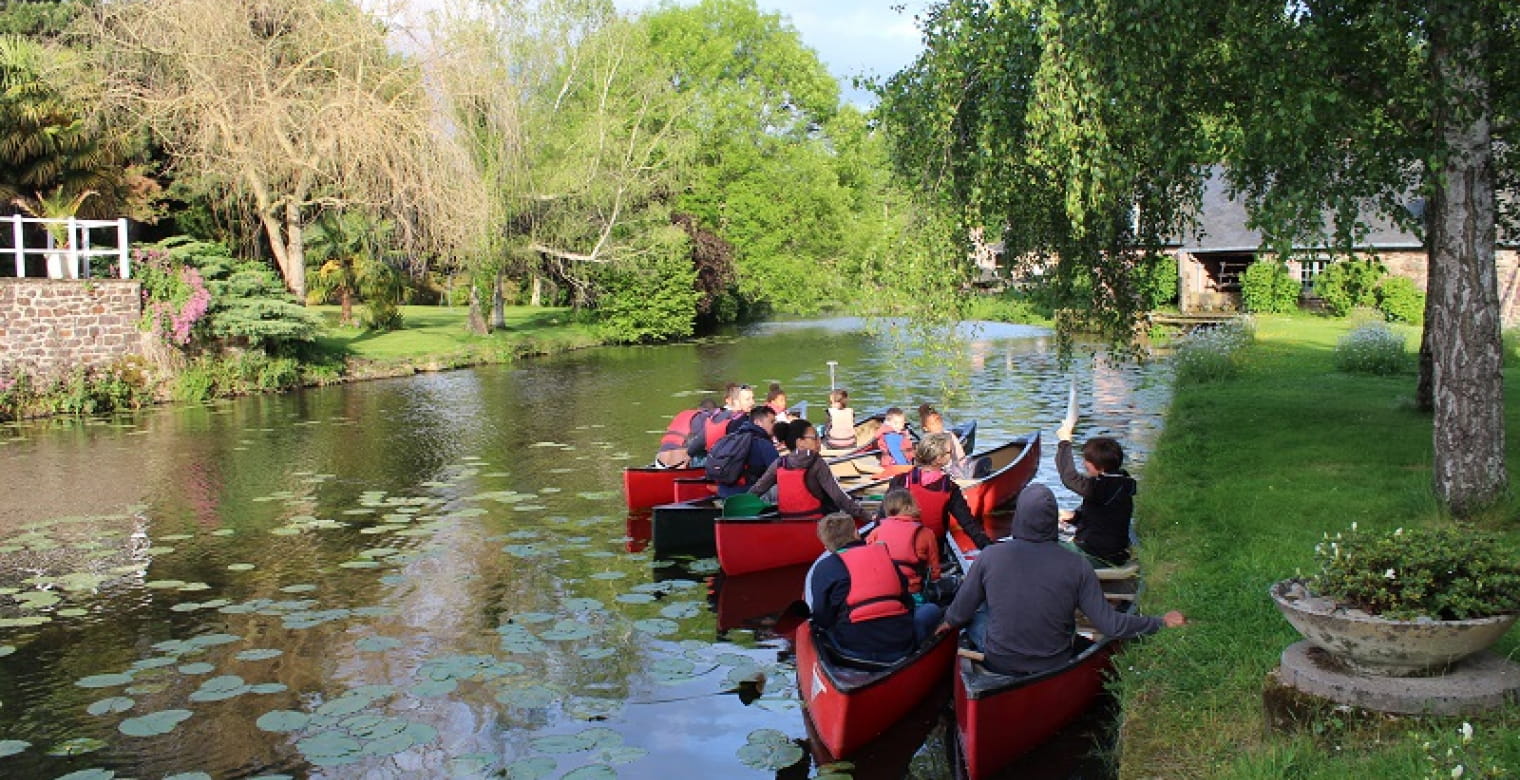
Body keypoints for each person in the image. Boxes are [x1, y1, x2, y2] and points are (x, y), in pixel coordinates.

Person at [935, 483, 1185, 676]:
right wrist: (1160, 622)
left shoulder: (989, 556)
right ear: (1052, 520)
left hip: (1000, 661)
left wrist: (944, 625)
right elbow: (1111, 625)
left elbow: (957, 615)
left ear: (1019, 518)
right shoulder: (1078, 565)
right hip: (1053, 661)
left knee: (978, 610)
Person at [807, 513, 942, 663]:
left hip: (851, 650)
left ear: (826, 546)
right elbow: (907, 603)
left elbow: (822, 618)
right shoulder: (886, 557)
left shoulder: (824, 568)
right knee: (931, 609)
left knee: (820, 628)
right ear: (856, 533)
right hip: (900, 645)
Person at [877, 432, 994, 549]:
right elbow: (968, 524)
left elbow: (882, 517)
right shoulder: (949, 487)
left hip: (899, 545)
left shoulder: (900, 480)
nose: (951, 454)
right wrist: (988, 547)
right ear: (939, 459)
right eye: (949, 452)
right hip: (933, 547)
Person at [749, 420, 871, 520]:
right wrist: (866, 516)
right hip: (817, 524)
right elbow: (839, 498)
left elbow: (757, 490)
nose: (819, 442)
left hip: (787, 522)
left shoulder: (779, 463)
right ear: (800, 443)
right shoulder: (817, 462)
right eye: (815, 438)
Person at [1054, 422, 1137, 566]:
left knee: (1038, 540)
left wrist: (1064, 442)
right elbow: (1103, 516)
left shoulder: (1102, 487)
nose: (1083, 463)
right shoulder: (1119, 481)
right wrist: (1074, 516)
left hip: (1097, 556)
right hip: (1111, 550)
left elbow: (1069, 477)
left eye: (1087, 460)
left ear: (1099, 467)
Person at [865, 489, 941, 599]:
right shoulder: (926, 533)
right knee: (933, 610)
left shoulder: (875, 533)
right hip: (912, 593)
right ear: (908, 507)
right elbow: (934, 572)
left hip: (882, 593)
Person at [713, 405, 780, 498]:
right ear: (758, 422)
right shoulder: (763, 444)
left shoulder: (733, 436)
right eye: (772, 422)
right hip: (745, 494)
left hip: (723, 492)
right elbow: (779, 472)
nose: (775, 425)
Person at [686, 383, 756, 461]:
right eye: (748, 399)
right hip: (730, 466)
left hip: (712, 463)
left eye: (753, 398)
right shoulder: (741, 420)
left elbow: (695, 445)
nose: (752, 402)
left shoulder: (716, 415)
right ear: (736, 401)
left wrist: (688, 456)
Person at [655, 398, 717, 468]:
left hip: (659, 461)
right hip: (680, 464)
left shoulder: (683, 414)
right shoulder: (708, 417)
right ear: (714, 410)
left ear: (698, 409)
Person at [918, 404, 970, 477]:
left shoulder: (948, 436)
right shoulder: (926, 440)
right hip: (943, 474)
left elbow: (960, 457)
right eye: (934, 424)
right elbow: (961, 458)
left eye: (939, 423)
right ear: (925, 428)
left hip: (948, 473)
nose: (938, 426)